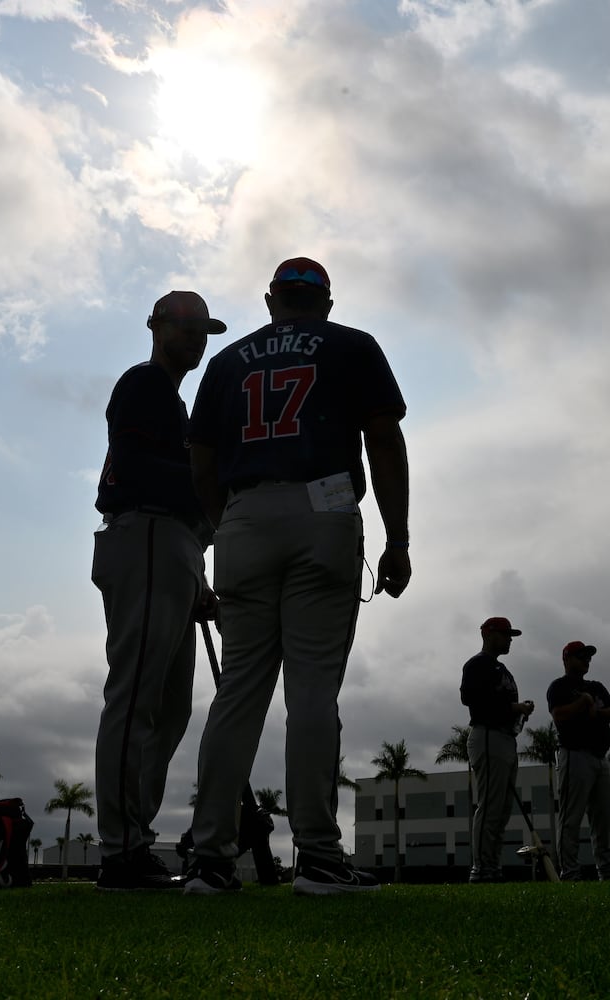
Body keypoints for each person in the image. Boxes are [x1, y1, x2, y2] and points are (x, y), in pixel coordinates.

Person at [184, 257, 410, 897]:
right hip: (324, 507)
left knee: (238, 695)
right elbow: (384, 442)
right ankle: (317, 856)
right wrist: (397, 538)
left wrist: (223, 523)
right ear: (327, 302)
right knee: (312, 690)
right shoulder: (352, 344)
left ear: (270, 300)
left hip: (243, 515)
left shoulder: (229, 361)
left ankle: (209, 860)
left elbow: (199, 458)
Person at [92, 290, 224, 892]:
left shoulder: (173, 400)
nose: (197, 338)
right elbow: (142, 468)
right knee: (138, 694)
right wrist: (216, 478)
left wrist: (197, 570)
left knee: (170, 707)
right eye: (187, 327)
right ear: (156, 326)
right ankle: (120, 850)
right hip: (143, 529)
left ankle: (135, 839)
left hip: (173, 545)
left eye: (204, 330)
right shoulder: (144, 383)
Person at [459, 617, 532, 884]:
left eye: (509, 635)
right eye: (504, 634)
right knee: (490, 805)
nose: (509, 639)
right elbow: (469, 697)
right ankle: (481, 868)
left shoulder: (502, 668)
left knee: (501, 809)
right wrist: (513, 708)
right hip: (487, 734)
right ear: (487, 634)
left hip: (504, 737)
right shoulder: (478, 663)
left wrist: (518, 712)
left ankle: (492, 865)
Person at [547, 640, 610, 881]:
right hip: (574, 755)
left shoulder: (596, 686)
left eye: (588, 657)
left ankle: (608, 874)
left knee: (602, 821)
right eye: (581, 656)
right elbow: (558, 715)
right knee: (571, 819)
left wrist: (594, 710)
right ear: (566, 659)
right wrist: (583, 703)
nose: (586, 660)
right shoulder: (559, 686)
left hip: (599, 757)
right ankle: (570, 874)